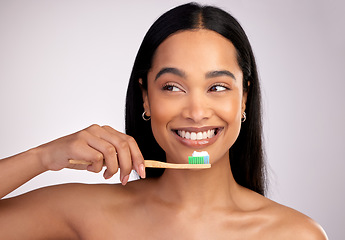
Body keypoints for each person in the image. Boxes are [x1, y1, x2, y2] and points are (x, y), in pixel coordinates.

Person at [0, 3, 327, 239]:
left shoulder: (295, 233)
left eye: (217, 87)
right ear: (146, 97)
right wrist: (42, 157)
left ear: (243, 98)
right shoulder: (85, 212)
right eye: (173, 87)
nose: (196, 112)